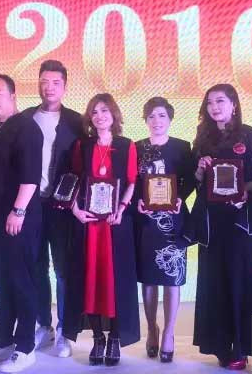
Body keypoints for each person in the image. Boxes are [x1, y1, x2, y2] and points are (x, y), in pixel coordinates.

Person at [186, 84, 252, 370]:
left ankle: (244, 345)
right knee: (215, 283)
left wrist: (246, 191)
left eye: (220, 101)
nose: (214, 107)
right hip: (212, 223)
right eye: (209, 103)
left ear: (234, 104)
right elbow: (195, 180)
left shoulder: (251, 136)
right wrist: (200, 168)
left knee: (242, 280)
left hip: (240, 220)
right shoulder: (202, 138)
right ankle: (221, 345)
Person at [63, 93, 140, 367]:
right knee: (91, 281)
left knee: (115, 281)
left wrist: (123, 208)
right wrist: (74, 209)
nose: (99, 116)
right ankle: (97, 338)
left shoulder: (127, 145)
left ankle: (115, 338)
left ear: (114, 114)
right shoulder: (82, 145)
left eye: (104, 110)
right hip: (89, 225)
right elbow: (72, 179)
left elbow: (132, 181)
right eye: (94, 112)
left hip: (115, 225)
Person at [0, 75, 43, 373]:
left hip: (19, 218)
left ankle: (26, 347)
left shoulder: (26, 127)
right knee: (1, 281)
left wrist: (18, 210)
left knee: (21, 281)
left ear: (13, 96)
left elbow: (31, 175)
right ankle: (3, 342)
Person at [22, 60, 83, 357]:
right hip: (32, 204)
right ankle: (43, 325)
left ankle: (64, 331)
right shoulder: (25, 119)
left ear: (65, 87)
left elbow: (85, 166)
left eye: (56, 83)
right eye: (44, 81)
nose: (49, 88)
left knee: (62, 270)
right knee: (36, 266)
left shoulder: (77, 122)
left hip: (63, 207)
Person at [134, 97, 195, 363]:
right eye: (151, 116)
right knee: (148, 279)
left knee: (173, 278)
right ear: (145, 120)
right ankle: (151, 329)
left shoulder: (182, 147)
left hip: (173, 221)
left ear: (170, 119)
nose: (156, 121)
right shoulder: (137, 148)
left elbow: (190, 180)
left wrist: (180, 196)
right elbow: (132, 181)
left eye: (161, 116)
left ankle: (169, 332)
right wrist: (137, 201)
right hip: (146, 220)